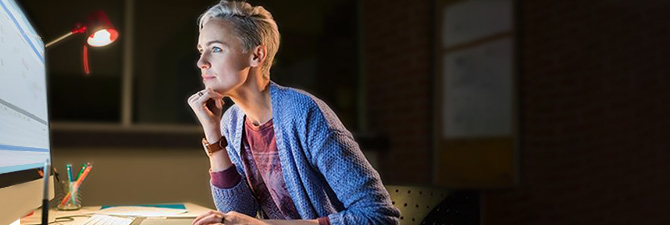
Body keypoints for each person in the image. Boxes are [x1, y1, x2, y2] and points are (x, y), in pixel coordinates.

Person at [187, 1, 399, 225]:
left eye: (216, 49)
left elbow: (378, 217)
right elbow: (238, 212)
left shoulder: (304, 113)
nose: (202, 62)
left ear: (257, 56)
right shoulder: (232, 122)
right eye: (202, 51)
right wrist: (213, 133)